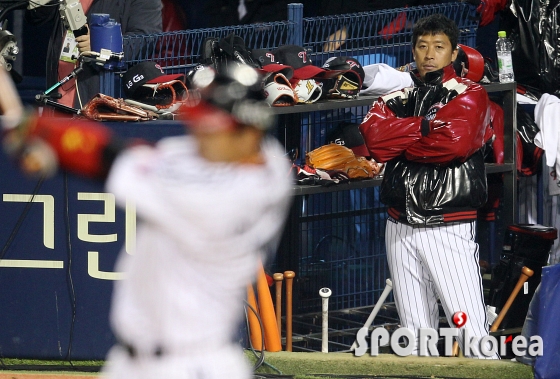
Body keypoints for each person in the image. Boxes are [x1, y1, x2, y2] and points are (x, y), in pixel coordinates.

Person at [0, 63, 293, 378]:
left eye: (213, 129)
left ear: (248, 132)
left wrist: (29, 127)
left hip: (189, 366)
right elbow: (154, 155)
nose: (201, 136)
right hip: (134, 362)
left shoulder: (230, 196)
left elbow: (106, 156)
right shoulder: (253, 157)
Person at [359, 14, 498, 358]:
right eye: (422, 46)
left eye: (438, 47)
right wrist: (424, 127)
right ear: (413, 50)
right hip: (398, 222)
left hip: (447, 223)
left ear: (453, 54)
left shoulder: (471, 93)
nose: (429, 54)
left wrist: (402, 139)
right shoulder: (398, 94)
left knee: (471, 332)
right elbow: (375, 141)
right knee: (416, 336)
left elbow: (454, 143)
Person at [25, 0, 163, 110]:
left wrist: (100, 45)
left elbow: (145, 40)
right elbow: (36, 17)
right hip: (57, 96)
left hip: (101, 100)